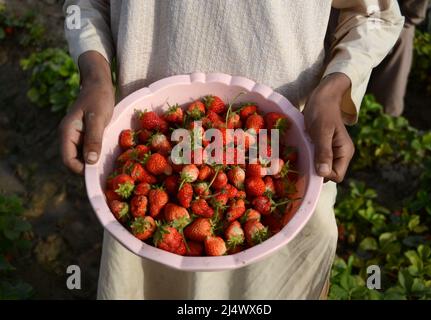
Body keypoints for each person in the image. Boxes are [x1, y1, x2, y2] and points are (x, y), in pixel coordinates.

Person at [60, 0, 403, 299]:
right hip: (148, 161)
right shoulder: (154, 199)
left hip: (288, 165)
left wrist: (335, 85)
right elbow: (83, 4)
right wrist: (94, 75)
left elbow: (374, 16)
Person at [368, 0, 429, 116]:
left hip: (393, 19)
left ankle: (380, 119)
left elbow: (413, 11)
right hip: (387, 17)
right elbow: (414, 12)